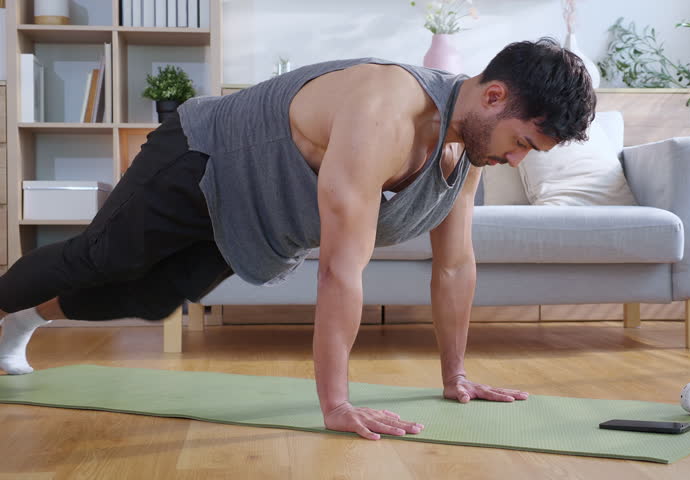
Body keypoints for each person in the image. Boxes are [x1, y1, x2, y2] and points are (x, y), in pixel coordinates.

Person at [0, 37, 596, 440]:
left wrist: (455, 376)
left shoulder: (469, 150)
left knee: (152, 299)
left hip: (252, 208)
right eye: (522, 142)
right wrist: (336, 405)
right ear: (493, 97)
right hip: (202, 155)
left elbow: (454, 267)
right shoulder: (385, 114)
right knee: (103, 257)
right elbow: (340, 270)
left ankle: (23, 319)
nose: (517, 159)